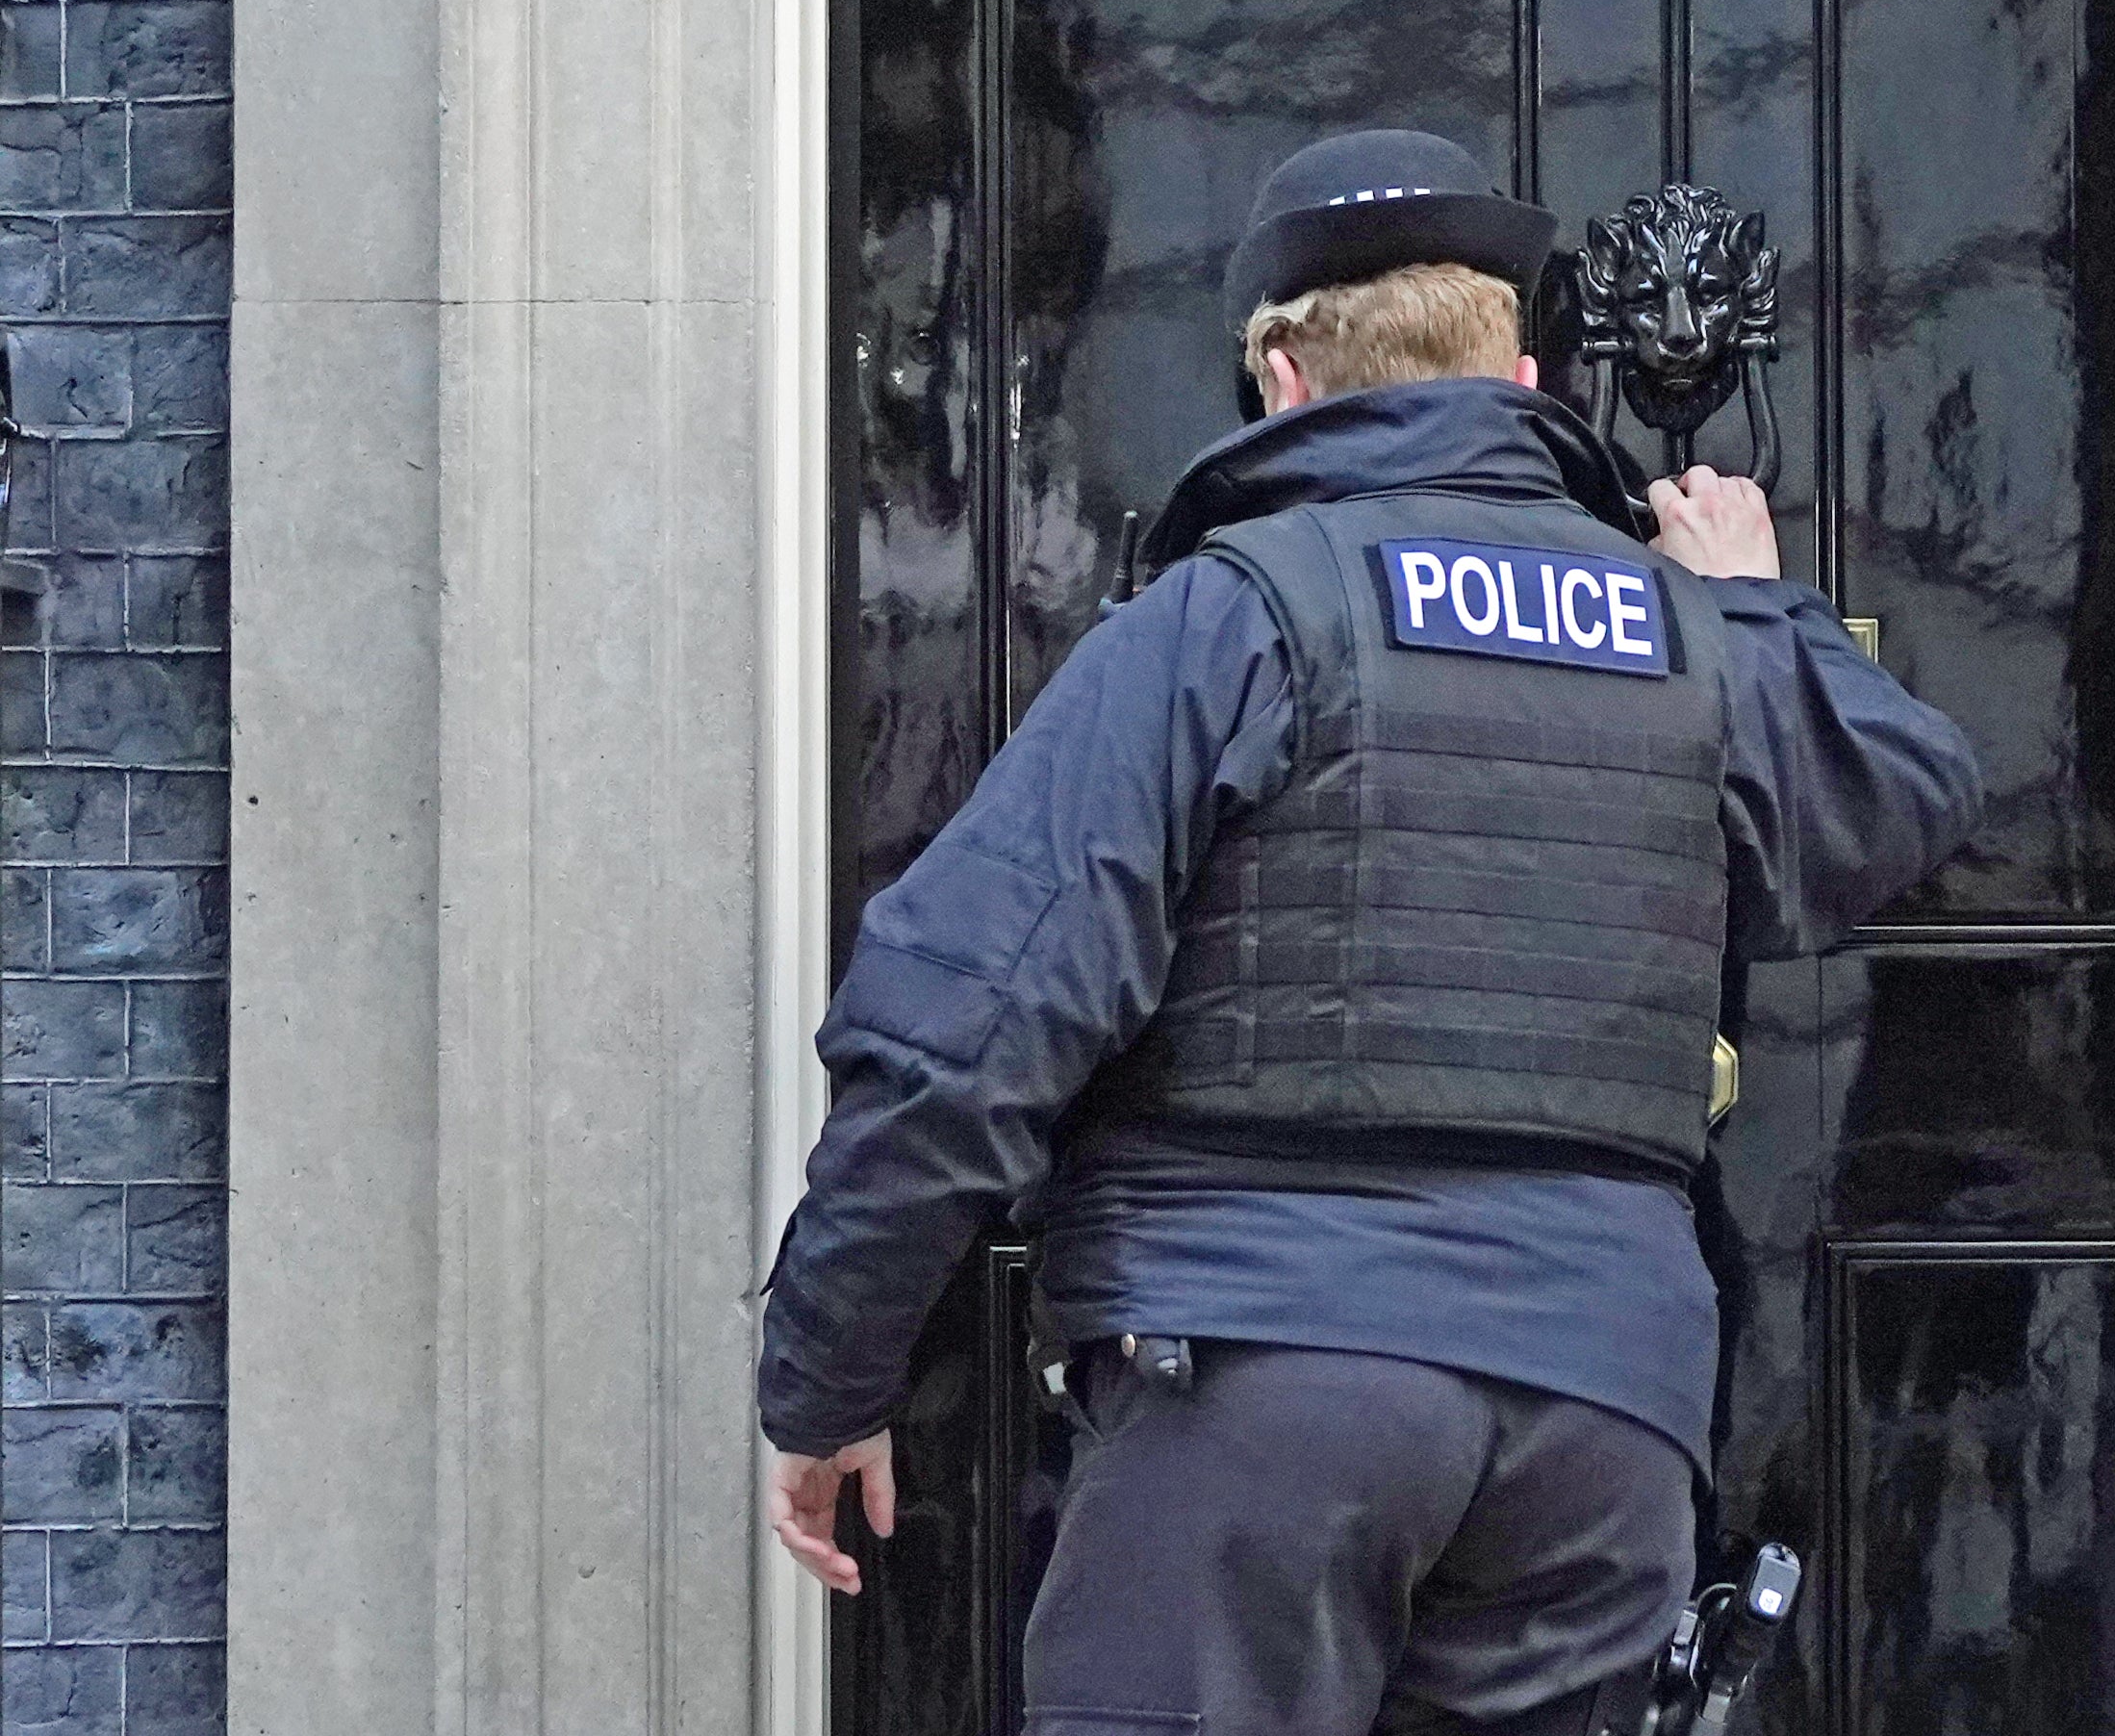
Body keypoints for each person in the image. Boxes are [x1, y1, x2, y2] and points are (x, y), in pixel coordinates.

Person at [756, 127, 1982, 1735]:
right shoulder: (1689, 633)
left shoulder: (1242, 609)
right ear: (1524, 372)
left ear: (1280, 376)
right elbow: (1894, 802)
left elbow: (966, 1026)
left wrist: (834, 1371)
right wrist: (1752, 602)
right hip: (1602, 1414)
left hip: (1264, 1375)